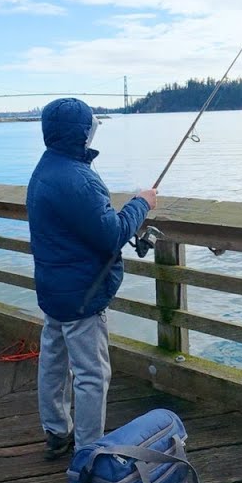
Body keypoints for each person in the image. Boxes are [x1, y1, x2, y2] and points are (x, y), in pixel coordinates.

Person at [26, 98, 157, 459]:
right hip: (82, 294)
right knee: (91, 375)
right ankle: (88, 452)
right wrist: (141, 202)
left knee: (53, 360)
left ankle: (55, 431)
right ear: (83, 133)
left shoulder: (47, 167)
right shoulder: (77, 178)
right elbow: (112, 233)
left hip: (54, 288)